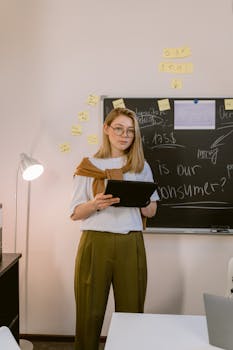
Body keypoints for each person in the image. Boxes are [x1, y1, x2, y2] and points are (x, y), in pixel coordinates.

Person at [70, 107, 159, 350]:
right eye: (118, 128)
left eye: (130, 131)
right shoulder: (88, 165)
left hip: (130, 243)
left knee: (131, 312)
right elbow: (76, 213)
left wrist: (138, 200)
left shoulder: (141, 166)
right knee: (89, 312)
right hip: (94, 243)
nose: (124, 135)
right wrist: (95, 204)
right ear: (106, 129)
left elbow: (152, 211)